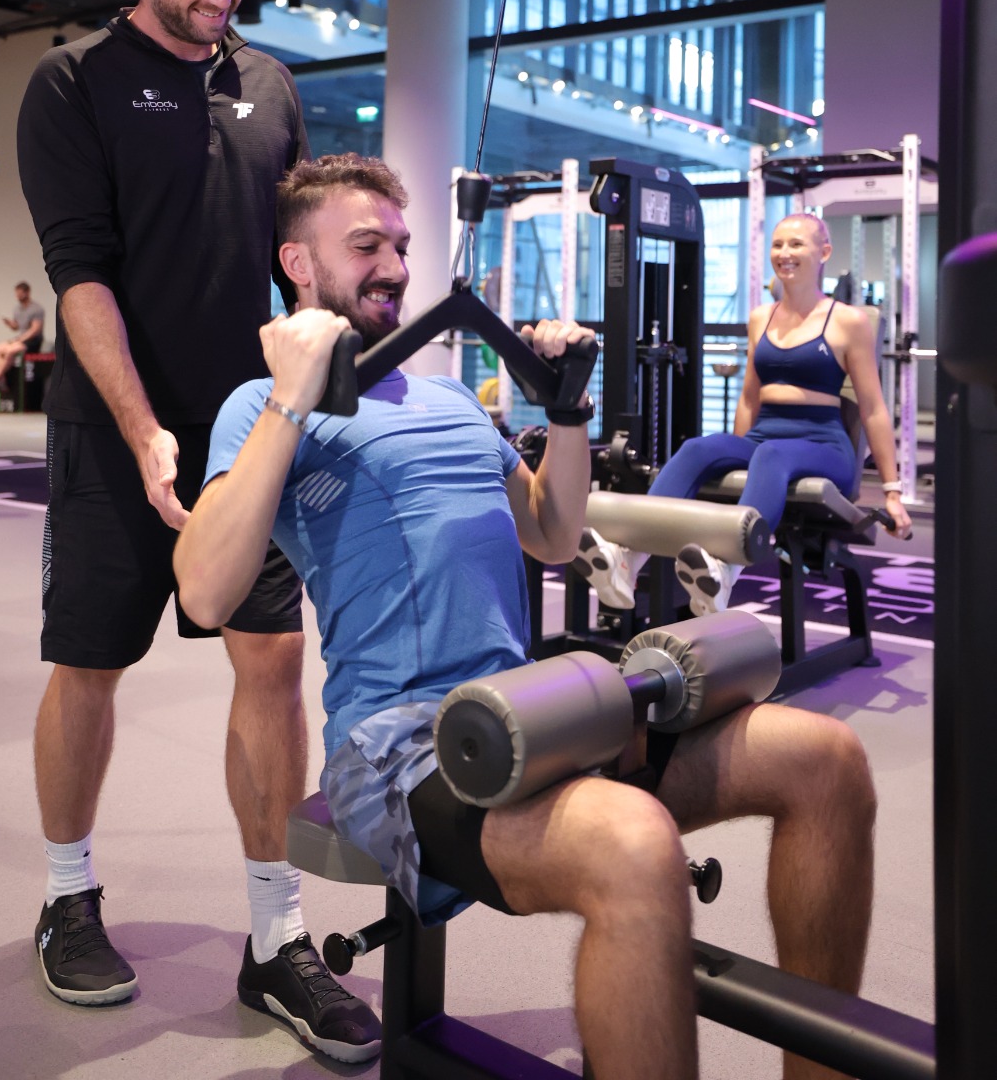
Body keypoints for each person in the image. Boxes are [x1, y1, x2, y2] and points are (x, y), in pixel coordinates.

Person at [175, 155, 877, 1080]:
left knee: (827, 761)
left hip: (540, 708)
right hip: (401, 745)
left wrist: (570, 409)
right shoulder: (261, 410)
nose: (393, 266)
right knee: (634, 849)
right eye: (364, 246)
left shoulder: (451, 397)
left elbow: (550, 530)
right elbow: (206, 592)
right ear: (298, 264)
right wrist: (293, 400)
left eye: (400, 245)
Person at [16, 0, 380, 1061]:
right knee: (89, 664)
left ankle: (275, 938)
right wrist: (139, 429)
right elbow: (82, 279)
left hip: (248, 439)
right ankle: (68, 892)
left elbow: (300, 252)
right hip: (116, 431)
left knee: (272, 662)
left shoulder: (268, 84)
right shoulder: (72, 85)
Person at [580, 213, 913, 618]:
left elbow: (874, 409)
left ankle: (725, 571)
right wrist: (738, 458)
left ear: (823, 252)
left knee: (771, 455)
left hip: (824, 443)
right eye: (777, 245)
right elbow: (749, 398)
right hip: (766, 438)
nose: (784, 253)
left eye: (796, 244)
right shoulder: (761, 317)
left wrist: (893, 491)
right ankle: (629, 560)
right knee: (699, 449)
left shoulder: (849, 320)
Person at [0, 280, 45, 388]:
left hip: (33, 341)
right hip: (20, 339)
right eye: (16, 293)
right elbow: (16, 327)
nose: (17, 296)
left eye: (20, 293)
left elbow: (35, 330)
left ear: (27, 292)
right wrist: (9, 323)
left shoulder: (36, 309)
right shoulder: (17, 309)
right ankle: (1, 379)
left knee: (10, 351)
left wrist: (19, 339)